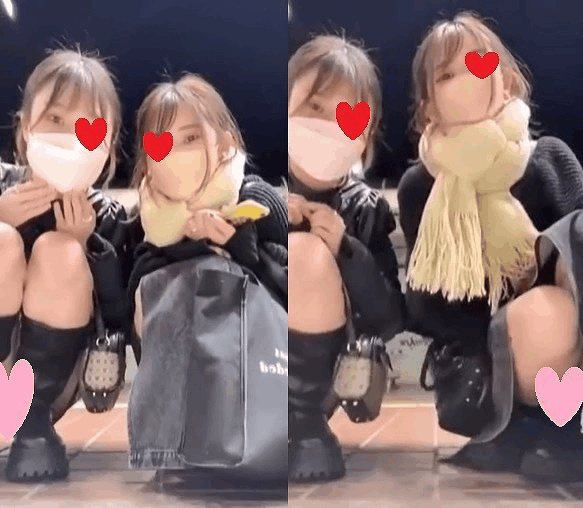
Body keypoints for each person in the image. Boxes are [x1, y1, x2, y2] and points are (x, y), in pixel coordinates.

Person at [398, 11, 583, 481]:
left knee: (553, 299)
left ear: (506, 78)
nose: (466, 81)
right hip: (482, 359)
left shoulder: (549, 160)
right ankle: (511, 425)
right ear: (428, 106)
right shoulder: (422, 187)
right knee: (536, 315)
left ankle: (560, 426)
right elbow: (423, 307)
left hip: (565, 342)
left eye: (478, 65)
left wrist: (545, 267)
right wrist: (487, 283)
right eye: (446, 75)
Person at [123, 73, 288, 472]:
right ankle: (169, 450)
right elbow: (132, 302)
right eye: (163, 142)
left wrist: (235, 245)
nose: (178, 153)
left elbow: (287, 287)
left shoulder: (255, 198)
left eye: (192, 138)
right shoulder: (148, 220)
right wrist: (189, 245)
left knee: (212, 270)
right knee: (171, 281)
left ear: (225, 142)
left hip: (256, 362)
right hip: (180, 374)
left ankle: (234, 436)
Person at [0, 47, 129, 482]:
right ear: (25, 128)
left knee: (61, 251)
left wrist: (88, 246)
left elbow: (118, 319)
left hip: (57, 378)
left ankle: (32, 424)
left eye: (87, 125)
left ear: (108, 144)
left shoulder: (107, 216)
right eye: (55, 118)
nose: (71, 137)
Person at [287, 34, 406, 482]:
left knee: (308, 255)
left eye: (344, 116)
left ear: (365, 137)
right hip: (245, 363)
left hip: (324, 374)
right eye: (314, 107)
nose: (326, 127)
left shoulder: (364, 208)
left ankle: (302, 425)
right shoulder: (248, 192)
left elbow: (389, 319)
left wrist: (346, 250)